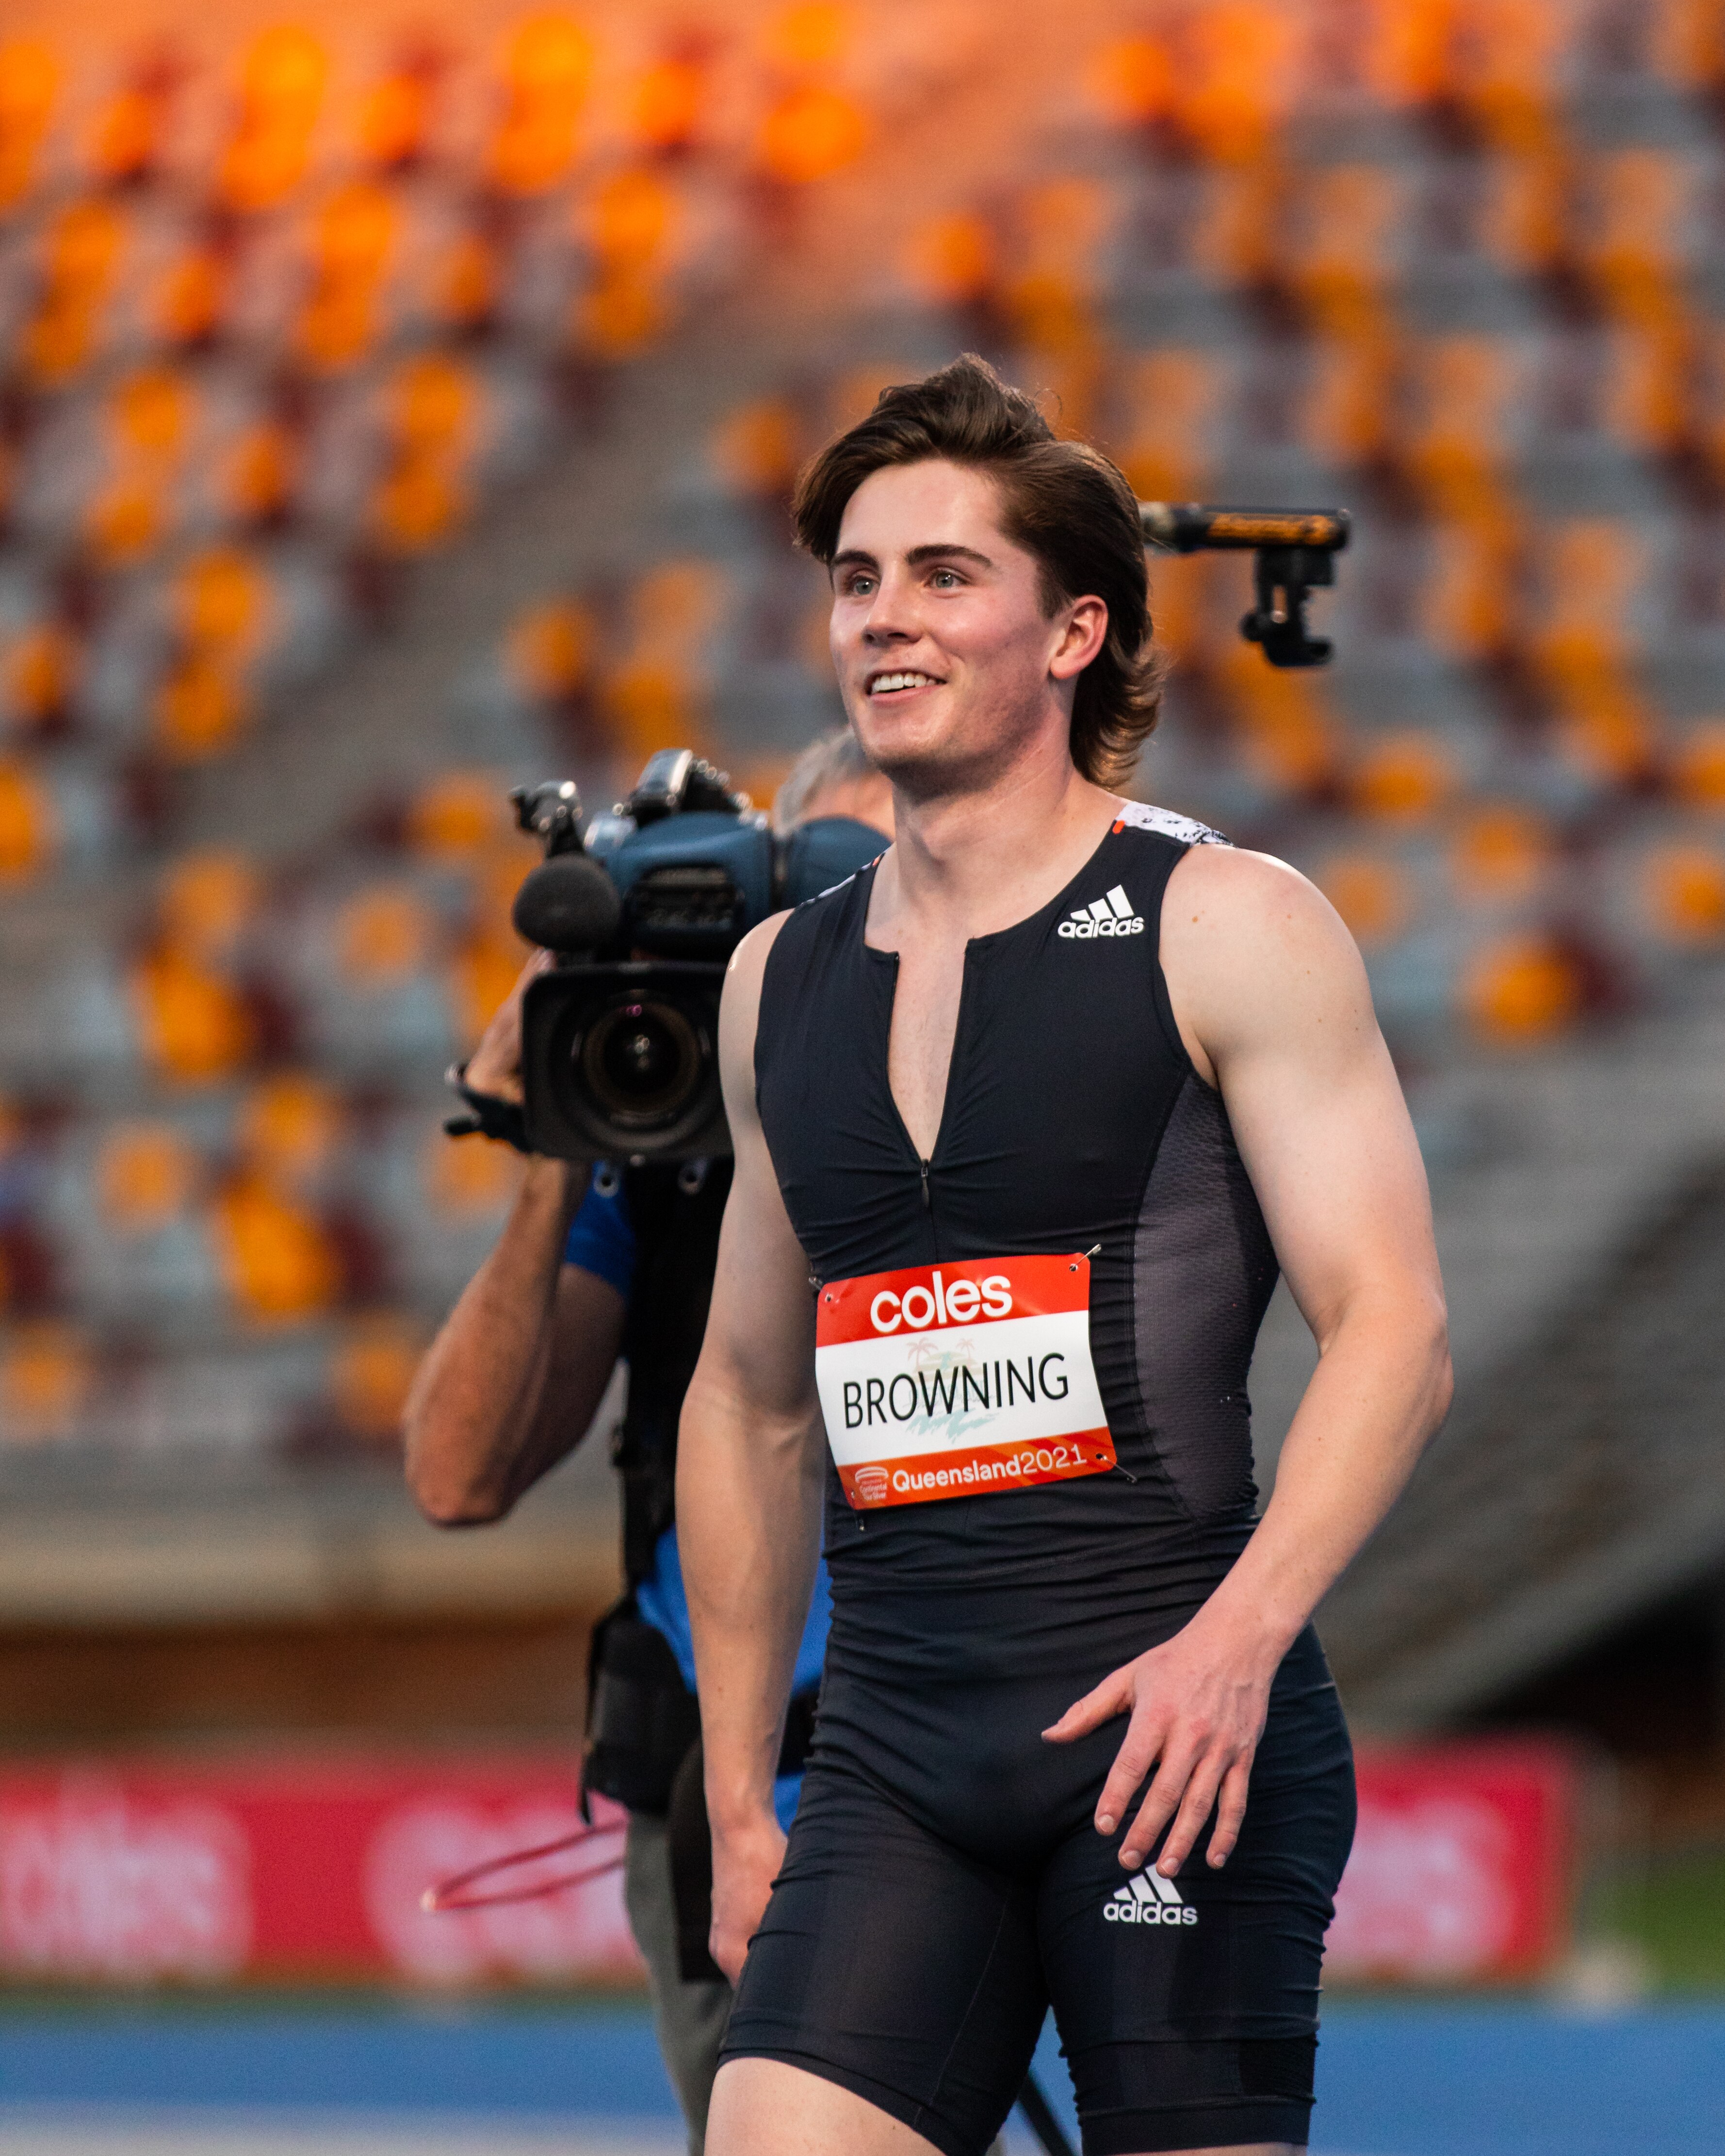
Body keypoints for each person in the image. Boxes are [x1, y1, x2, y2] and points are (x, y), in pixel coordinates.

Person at [676, 355, 1453, 2156]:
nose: (884, 617)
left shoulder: (1229, 923)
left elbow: (1392, 1325)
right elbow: (746, 1397)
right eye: (857, 579)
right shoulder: (773, 981)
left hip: (1172, 1741)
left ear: (1072, 632)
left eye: (945, 575)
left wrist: (1237, 1644)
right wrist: (733, 1794)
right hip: (891, 1763)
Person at [404, 730, 893, 2156]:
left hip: (985, 1755)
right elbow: (456, 1473)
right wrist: (558, 1134)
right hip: (730, 1800)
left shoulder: (1028, 1113)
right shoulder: (666, 1160)